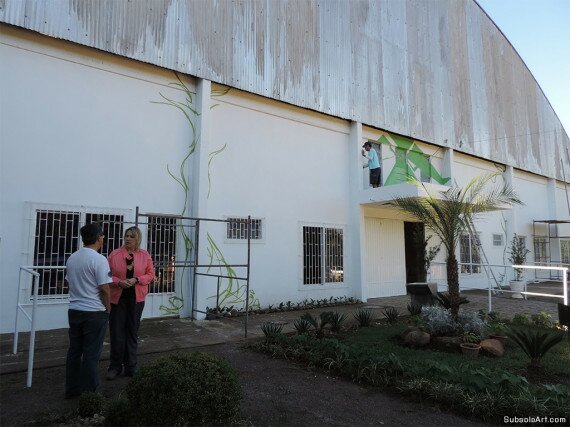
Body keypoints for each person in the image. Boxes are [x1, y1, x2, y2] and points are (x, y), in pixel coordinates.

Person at [65, 222, 111, 399]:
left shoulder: (73, 258)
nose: (103, 238)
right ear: (99, 238)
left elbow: (70, 282)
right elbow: (105, 288)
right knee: (91, 353)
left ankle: (72, 389)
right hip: (94, 312)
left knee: (74, 351)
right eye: (102, 235)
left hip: (75, 309)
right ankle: (90, 394)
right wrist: (108, 308)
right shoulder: (99, 260)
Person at [106, 226, 155, 379]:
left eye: (131, 236)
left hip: (136, 299)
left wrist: (137, 279)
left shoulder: (145, 255)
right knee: (117, 332)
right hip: (117, 299)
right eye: (126, 236)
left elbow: (151, 274)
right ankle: (115, 367)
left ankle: (131, 366)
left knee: (132, 332)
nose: (128, 239)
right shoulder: (114, 255)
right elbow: (106, 275)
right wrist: (118, 282)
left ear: (137, 239)